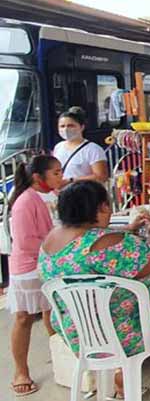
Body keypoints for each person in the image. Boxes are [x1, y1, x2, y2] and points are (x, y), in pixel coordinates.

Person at [40, 181, 150, 398]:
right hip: (127, 330)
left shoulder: (51, 241)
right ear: (102, 207)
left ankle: (121, 382)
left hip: (82, 332)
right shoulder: (107, 242)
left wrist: (128, 230)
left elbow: (94, 244)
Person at [8, 155, 62, 397]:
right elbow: (26, 242)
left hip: (48, 262)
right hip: (29, 267)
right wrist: (56, 244)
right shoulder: (24, 202)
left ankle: (61, 357)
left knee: (53, 311)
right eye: (56, 173)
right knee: (23, 318)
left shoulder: (49, 196)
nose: (61, 177)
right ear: (38, 177)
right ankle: (21, 371)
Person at [53, 107, 108, 187]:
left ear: (82, 127)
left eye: (71, 126)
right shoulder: (58, 147)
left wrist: (71, 180)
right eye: (62, 126)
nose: (66, 129)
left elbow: (101, 177)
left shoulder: (93, 149)